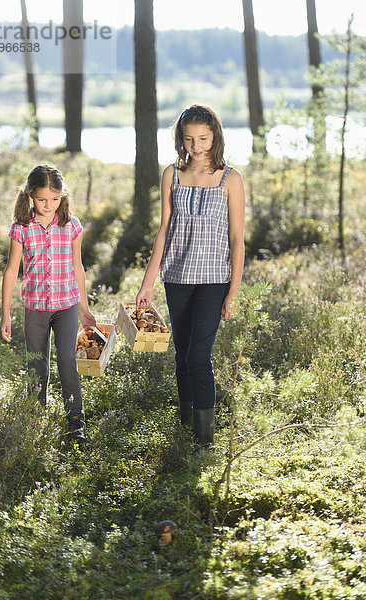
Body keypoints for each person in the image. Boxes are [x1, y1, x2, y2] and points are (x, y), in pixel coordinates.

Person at [136, 104, 245, 448]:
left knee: (199, 356)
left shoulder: (232, 179)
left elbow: (237, 239)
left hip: (215, 280)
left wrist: (233, 291)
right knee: (182, 356)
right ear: (180, 139)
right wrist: (147, 281)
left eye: (203, 138)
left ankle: (205, 440)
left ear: (215, 137)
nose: (197, 146)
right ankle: (187, 425)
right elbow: (164, 229)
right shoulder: (172, 174)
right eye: (189, 139)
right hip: (178, 277)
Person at [0, 164, 96, 446]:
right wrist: (5, 314)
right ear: (30, 195)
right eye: (42, 199)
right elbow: (10, 271)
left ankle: (75, 419)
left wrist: (84, 307)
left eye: (55, 199)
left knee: (67, 360)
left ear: (62, 196)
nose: (49, 205)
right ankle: (34, 415)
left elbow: (78, 267)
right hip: (35, 308)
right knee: (37, 363)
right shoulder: (22, 228)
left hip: (66, 305)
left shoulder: (71, 225)